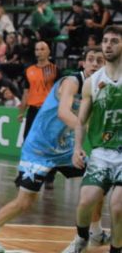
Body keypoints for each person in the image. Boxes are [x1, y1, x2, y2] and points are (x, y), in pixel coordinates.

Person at [0, 47, 106, 252]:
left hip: (64, 148)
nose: (95, 64)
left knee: (97, 184)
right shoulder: (72, 82)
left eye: (100, 60)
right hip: (39, 148)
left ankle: (96, 233)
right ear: (83, 63)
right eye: (91, 59)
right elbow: (64, 113)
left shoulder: (101, 88)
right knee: (25, 202)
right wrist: (84, 135)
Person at [63, 27, 122, 253]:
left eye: (114, 41)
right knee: (86, 200)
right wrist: (77, 147)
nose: (108, 45)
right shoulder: (93, 82)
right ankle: (81, 238)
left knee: (117, 207)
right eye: (105, 40)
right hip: (101, 151)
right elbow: (81, 121)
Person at [19, 41, 58, 140]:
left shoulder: (54, 70)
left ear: (48, 52)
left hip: (47, 110)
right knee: (27, 138)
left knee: (45, 139)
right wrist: (22, 111)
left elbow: (60, 92)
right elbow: (26, 93)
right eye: (37, 50)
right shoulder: (29, 70)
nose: (39, 52)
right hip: (32, 110)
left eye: (42, 49)